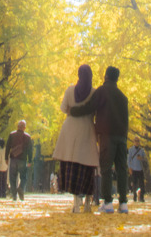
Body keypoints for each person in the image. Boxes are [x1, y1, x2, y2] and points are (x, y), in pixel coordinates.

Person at [69, 65, 129, 214]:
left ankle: (107, 202)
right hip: (122, 136)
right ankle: (123, 203)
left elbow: (90, 107)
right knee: (122, 170)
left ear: (106, 76)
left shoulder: (102, 91)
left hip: (107, 135)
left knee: (106, 168)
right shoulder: (123, 97)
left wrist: (73, 111)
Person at [52, 64, 98, 213]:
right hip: (87, 129)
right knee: (87, 166)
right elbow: (95, 110)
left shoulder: (70, 90)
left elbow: (63, 108)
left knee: (72, 165)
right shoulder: (94, 92)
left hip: (70, 129)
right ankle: (88, 203)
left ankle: (75, 203)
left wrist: (73, 110)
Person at [7, 120, 33, 200]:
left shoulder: (12, 135)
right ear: (24, 128)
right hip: (23, 159)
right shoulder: (27, 137)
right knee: (23, 177)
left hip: (13, 158)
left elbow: (8, 146)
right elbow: (30, 149)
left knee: (12, 177)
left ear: (17, 126)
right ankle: (21, 188)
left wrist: (6, 158)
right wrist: (30, 160)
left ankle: (14, 194)